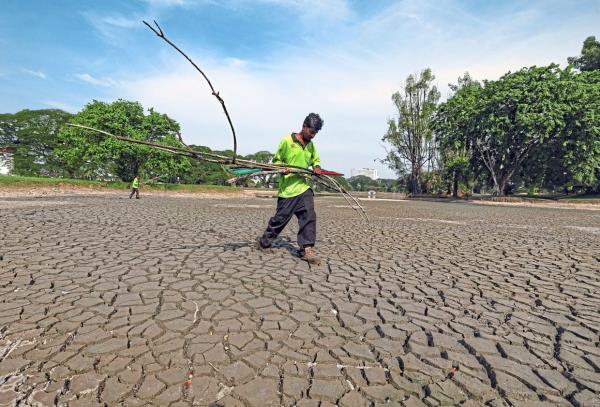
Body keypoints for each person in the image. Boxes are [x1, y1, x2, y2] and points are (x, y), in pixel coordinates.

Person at [258, 113, 324, 265]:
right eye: (311, 132)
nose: (313, 136)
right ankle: (264, 242)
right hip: (288, 189)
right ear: (304, 126)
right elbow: (276, 161)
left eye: (315, 133)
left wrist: (317, 167)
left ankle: (306, 250)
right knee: (280, 219)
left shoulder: (311, 145)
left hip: (303, 187)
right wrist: (283, 168)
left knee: (309, 217)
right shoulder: (287, 141)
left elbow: (315, 159)